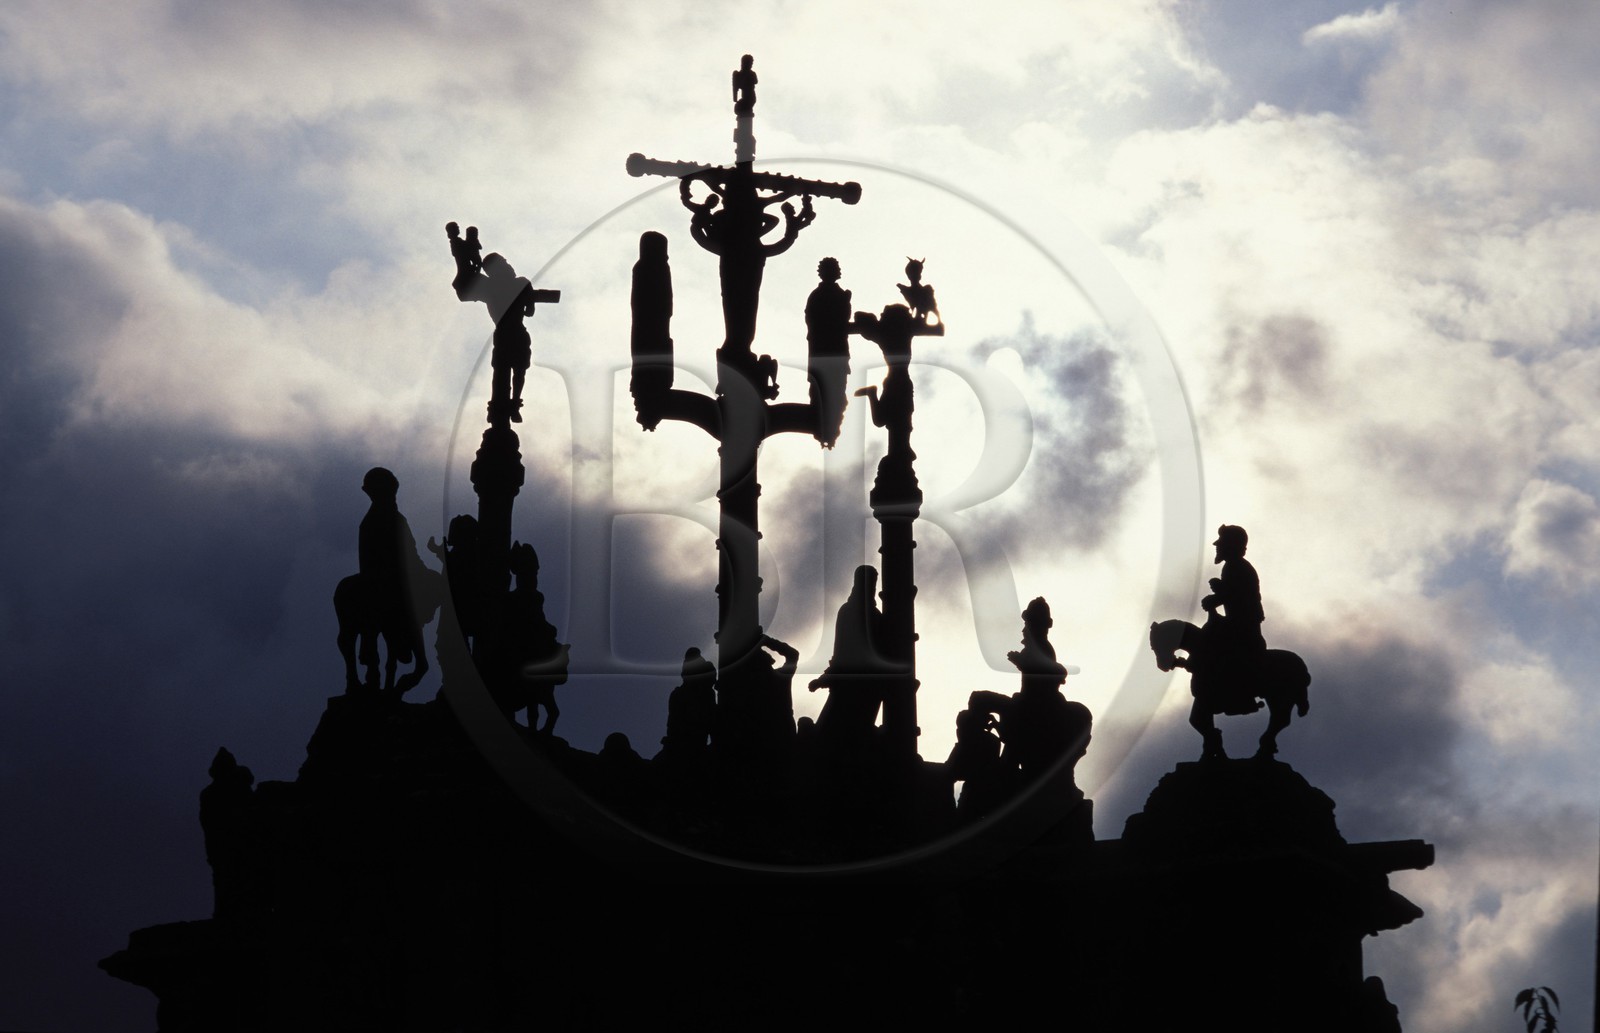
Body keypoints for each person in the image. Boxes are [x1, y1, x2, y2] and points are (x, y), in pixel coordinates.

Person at [805, 257, 852, 447]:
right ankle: (823, 426)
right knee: (825, 392)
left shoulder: (828, 295)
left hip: (833, 352)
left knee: (837, 394)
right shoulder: (818, 296)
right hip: (826, 352)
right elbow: (815, 323)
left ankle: (829, 427)